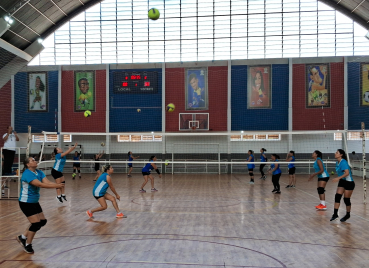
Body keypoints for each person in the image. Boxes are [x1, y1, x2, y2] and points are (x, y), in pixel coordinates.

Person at [16, 157, 64, 254]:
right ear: (27, 164)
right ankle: (28, 245)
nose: (35, 161)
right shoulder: (27, 174)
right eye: (32, 160)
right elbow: (40, 185)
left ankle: (22, 237)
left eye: (35, 160)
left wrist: (57, 184)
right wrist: (57, 186)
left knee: (42, 221)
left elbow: (47, 182)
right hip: (26, 202)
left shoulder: (39, 172)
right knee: (36, 223)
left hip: (34, 201)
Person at [330, 149, 355, 222]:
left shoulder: (343, 162)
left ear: (341, 155)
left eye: (337, 153)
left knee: (346, 199)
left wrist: (338, 178)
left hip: (349, 182)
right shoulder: (337, 162)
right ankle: (335, 214)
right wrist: (339, 178)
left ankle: (348, 214)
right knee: (337, 196)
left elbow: (347, 173)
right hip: (342, 181)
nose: (335, 153)